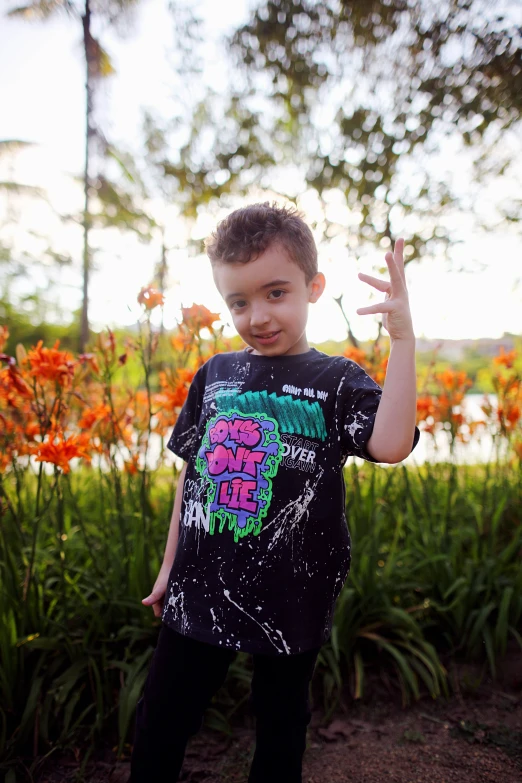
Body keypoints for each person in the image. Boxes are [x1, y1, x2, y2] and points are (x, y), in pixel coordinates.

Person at [130, 202, 419, 782]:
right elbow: (192, 477)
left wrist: (404, 339)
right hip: (201, 584)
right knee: (160, 719)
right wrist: (170, 566)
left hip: (293, 591)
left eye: (276, 293)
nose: (257, 316)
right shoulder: (215, 373)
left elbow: (390, 444)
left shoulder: (336, 380)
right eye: (238, 301)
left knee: (281, 730)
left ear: (314, 287)